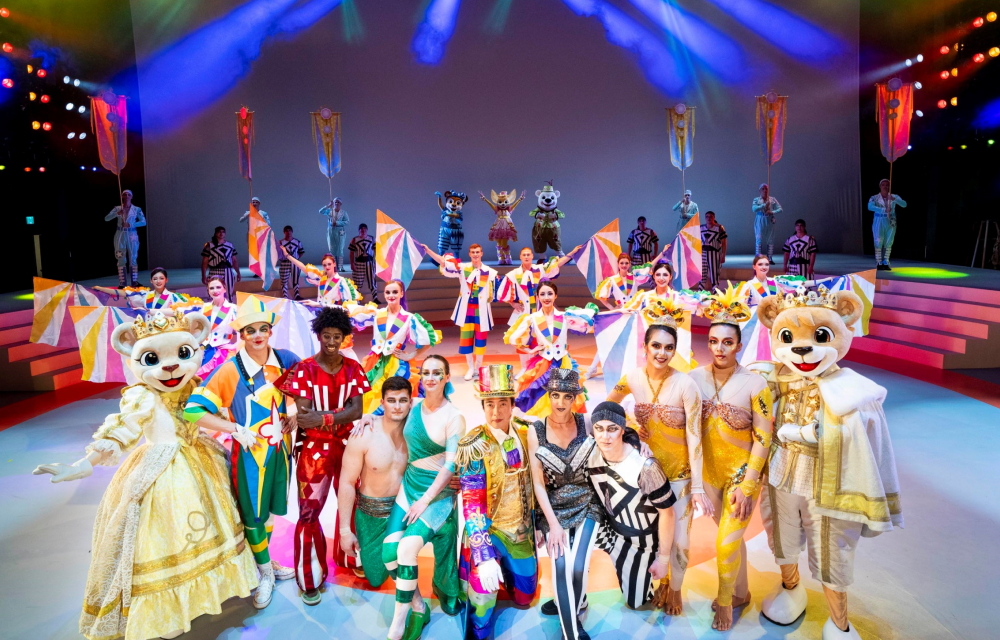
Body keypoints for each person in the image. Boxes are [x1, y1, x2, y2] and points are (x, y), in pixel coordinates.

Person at [33, 311, 257, 640]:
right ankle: (166, 611)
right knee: (163, 537)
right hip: (161, 470)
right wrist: (83, 464)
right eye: (153, 358)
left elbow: (217, 414)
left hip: (203, 458)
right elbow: (121, 431)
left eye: (182, 354)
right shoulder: (143, 396)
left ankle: (213, 592)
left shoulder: (195, 387)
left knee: (220, 522)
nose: (170, 366)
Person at [183, 295, 301, 609]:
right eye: (251, 330)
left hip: (281, 454)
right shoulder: (229, 371)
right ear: (241, 335)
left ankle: (266, 562)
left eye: (263, 328)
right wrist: (234, 429)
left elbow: (306, 391)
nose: (258, 335)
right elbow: (193, 411)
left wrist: (297, 413)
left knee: (273, 510)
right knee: (253, 516)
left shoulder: (286, 359)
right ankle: (264, 574)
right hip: (249, 458)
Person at [606, 314, 705, 617]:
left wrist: (698, 485)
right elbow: (609, 407)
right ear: (645, 346)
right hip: (643, 473)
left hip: (679, 474)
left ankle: (675, 588)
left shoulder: (685, 384)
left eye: (669, 348)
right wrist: (632, 426)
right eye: (656, 346)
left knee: (680, 540)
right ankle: (656, 583)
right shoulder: (633, 378)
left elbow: (695, 435)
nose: (662, 353)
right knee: (649, 534)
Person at [274, 306, 370, 604]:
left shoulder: (354, 368)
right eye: (326, 336)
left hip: (348, 445)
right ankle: (309, 575)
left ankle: (352, 557)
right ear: (318, 336)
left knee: (354, 500)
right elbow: (304, 417)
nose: (331, 341)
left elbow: (358, 410)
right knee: (309, 511)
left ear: (345, 338)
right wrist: (336, 416)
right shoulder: (304, 368)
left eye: (337, 336)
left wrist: (325, 418)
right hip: (313, 450)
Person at [692, 288, 772, 631]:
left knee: (725, 541)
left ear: (739, 345)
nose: (719, 348)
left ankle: (725, 603)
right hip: (709, 476)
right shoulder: (694, 378)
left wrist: (750, 482)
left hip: (743, 477)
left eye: (727, 342)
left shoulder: (756, 383)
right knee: (731, 538)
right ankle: (740, 593)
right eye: (713, 341)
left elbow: (764, 436)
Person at [381, 354, 465, 639]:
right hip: (409, 488)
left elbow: (450, 466)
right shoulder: (413, 406)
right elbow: (387, 414)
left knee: (406, 550)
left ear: (446, 378)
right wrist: (365, 419)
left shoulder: (454, 417)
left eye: (436, 373)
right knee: (388, 553)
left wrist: (426, 500)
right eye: (425, 372)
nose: (429, 378)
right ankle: (418, 605)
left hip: (436, 495)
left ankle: (396, 628)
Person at [456, 364, 539, 640]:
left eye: (502, 403)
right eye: (489, 404)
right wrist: (482, 555)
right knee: (482, 603)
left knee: (525, 597)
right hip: (489, 534)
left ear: (512, 404)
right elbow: (471, 503)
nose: (495, 412)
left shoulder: (529, 433)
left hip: (521, 532)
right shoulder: (474, 444)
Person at [526, 369, 602, 640]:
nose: (560, 402)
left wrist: (638, 443)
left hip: (588, 503)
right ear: (549, 395)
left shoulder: (587, 421)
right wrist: (552, 525)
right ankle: (572, 630)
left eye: (567, 396)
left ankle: (570, 603)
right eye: (555, 395)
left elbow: (615, 436)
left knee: (578, 567)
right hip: (554, 508)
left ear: (575, 398)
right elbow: (537, 483)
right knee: (560, 568)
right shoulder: (535, 430)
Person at [586, 401, 676, 610]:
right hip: (607, 528)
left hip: (640, 542)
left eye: (612, 429)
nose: (604, 436)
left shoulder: (645, 466)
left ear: (622, 430)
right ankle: (575, 597)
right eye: (599, 428)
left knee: (637, 602)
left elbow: (667, 514)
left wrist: (663, 559)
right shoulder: (591, 453)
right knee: (569, 539)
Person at [337, 376, 413, 590]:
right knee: (376, 578)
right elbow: (346, 482)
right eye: (391, 400)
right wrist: (345, 530)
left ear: (410, 402)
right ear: (382, 403)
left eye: (402, 400)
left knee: (406, 568)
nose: (397, 407)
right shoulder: (364, 434)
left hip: (405, 512)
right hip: (370, 514)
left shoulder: (416, 431)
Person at [505, 280, 594, 417]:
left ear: (556, 296)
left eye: (550, 294)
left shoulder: (565, 316)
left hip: (563, 362)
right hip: (543, 364)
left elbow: (590, 321)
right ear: (538, 297)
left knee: (566, 397)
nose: (546, 297)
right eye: (543, 294)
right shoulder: (533, 318)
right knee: (540, 397)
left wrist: (621, 311)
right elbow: (513, 338)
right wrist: (530, 351)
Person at [358, 279, 440, 414]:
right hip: (374, 362)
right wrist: (318, 305)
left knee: (392, 397)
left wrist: (412, 355)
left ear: (402, 293)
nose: (391, 295)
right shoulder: (377, 313)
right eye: (388, 292)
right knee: (370, 396)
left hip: (395, 363)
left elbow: (431, 339)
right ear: (384, 294)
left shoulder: (409, 318)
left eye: (395, 292)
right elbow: (349, 312)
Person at [422, 243, 499, 381]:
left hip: (482, 312)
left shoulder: (490, 272)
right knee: (466, 341)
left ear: (481, 253)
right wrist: (428, 250)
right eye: (473, 252)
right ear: (469, 254)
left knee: (481, 342)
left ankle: (478, 368)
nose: (475, 254)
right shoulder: (463, 268)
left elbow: (501, 290)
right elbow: (443, 262)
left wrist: (513, 302)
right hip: (467, 311)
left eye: (477, 252)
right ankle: (470, 368)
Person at [497, 247, 576, 371]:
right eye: (524, 255)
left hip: (540, 312)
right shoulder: (513, 274)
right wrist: (513, 304)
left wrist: (571, 253)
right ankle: (524, 368)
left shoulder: (540, 270)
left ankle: (537, 365)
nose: (527, 257)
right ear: (521, 257)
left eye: (529, 254)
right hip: (523, 313)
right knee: (522, 339)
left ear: (532, 256)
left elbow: (556, 264)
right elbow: (502, 291)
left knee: (540, 339)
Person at [735, 257, 783, 366]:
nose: (764, 267)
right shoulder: (749, 285)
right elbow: (741, 304)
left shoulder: (774, 282)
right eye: (760, 264)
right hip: (755, 319)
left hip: (773, 316)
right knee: (754, 344)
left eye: (766, 264)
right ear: (754, 266)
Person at [279, 246, 362, 308]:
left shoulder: (341, 281)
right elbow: (303, 267)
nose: (327, 267)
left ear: (334, 264)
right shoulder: (321, 279)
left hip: (334, 317)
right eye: (324, 265)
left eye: (329, 264)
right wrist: (287, 255)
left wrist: (318, 304)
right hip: (320, 315)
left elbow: (349, 307)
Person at [94, 267, 188, 314]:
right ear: (151, 281)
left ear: (166, 280)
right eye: (155, 279)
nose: (158, 281)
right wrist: (100, 288)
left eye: (161, 278)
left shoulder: (174, 297)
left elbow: (190, 306)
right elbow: (123, 293)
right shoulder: (145, 295)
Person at [196, 275, 239, 378]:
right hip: (205, 352)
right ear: (208, 290)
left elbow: (242, 332)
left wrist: (234, 346)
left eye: (218, 287)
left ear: (224, 288)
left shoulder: (233, 309)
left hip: (224, 353)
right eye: (211, 288)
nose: (215, 290)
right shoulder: (205, 308)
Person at [104, 189, 146, 287]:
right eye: (124, 194)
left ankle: (134, 281)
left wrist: (131, 224)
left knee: (133, 257)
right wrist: (117, 213)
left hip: (132, 235)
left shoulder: (137, 209)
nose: (126, 196)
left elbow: (143, 222)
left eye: (128, 194)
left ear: (131, 197)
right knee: (120, 256)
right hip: (120, 235)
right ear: (122, 196)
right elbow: (106, 218)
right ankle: (122, 283)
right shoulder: (117, 208)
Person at [868, 178, 907, 270]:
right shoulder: (875, 197)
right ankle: (879, 261)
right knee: (878, 240)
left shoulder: (894, 196)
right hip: (879, 219)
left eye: (887, 185)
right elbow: (870, 207)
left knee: (889, 241)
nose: (885, 186)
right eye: (883, 185)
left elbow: (904, 204)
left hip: (891, 220)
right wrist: (883, 209)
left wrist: (894, 199)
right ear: (880, 186)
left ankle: (886, 261)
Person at [481, 189, 526, 265]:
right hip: (498, 226)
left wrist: (519, 199)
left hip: (506, 226)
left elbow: (515, 204)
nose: (503, 204)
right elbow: (490, 204)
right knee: (498, 242)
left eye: (505, 202)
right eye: (500, 202)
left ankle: (508, 257)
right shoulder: (497, 210)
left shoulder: (509, 210)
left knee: (504, 242)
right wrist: (485, 199)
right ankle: (501, 258)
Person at [201, 226, 240, 302]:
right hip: (214, 271)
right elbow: (204, 262)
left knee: (229, 292)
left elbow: (234, 260)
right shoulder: (209, 245)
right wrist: (203, 275)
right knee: (214, 292)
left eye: (223, 232)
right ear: (215, 233)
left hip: (228, 271)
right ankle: (214, 310)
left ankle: (228, 310)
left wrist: (238, 273)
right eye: (219, 232)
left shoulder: (230, 245)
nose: (221, 233)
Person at [530, 181, 565, 259]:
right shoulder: (538, 210)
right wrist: (537, 215)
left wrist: (556, 215)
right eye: (544, 197)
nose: (548, 200)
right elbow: (531, 213)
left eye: (552, 198)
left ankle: (561, 255)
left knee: (556, 242)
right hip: (539, 228)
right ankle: (542, 257)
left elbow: (562, 214)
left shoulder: (555, 210)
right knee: (539, 242)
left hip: (553, 228)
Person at [349, 223, 380, 303]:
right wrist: (352, 264)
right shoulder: (354, 240)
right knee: (357, 281)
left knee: (372, 280)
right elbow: (351, 252)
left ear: (367, 230)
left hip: (369, 263)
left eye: (364, 229)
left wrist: (377, 262)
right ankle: (356, 299)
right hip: (359, 263)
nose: (363, 230)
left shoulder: (372, 239)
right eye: (361, 229)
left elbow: (376, 250)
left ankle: (375, 298)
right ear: (359, 230)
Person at [752, 183, 782, 261]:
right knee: (759, 238)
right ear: (759, 190)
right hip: (760, 219)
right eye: (763, 189)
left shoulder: (772, 199)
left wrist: (772, 212)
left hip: (769, 220)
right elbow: (754, 209)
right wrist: (763, 205)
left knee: (770, 238)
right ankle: (758, 257)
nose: (765, 190)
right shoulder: (756, 200)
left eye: (766, 189)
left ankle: (770, 257)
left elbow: (780, 209)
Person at [700, 210, 727, 292]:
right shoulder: (701, 228)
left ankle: (715, 293)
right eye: (707, 217)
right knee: (702, 274)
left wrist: (723, 255)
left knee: (714, 273)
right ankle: (700, 291)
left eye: (711, 216)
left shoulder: (719, 228)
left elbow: (724, 242)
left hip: (714, 253)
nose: (709, 218)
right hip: (703, 253)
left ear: (714, 218)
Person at [321, 197, 350, 271]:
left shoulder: (344, 213)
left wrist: (337, 223)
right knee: (332, 249)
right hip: (331, 231)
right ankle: (334, 266)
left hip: (340, 232)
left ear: (341, 204)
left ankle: (340, 266)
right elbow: (320, 211)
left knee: (340, 249)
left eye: (338, 202)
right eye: (335, 202)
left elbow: (347, 222)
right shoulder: (330, 211)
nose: (336, 203)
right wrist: (328, 206)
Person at [436, 189, 468, 255]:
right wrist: (439, 197)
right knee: (442, 245)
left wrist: (448, 214)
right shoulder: (446, 210)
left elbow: (456, 215)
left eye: (458, 203)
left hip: (455, 230)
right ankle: (439, 261)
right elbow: (440, 204)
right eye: (450, 201)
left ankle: (457, 261)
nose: (453, 204)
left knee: (456, 247)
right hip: (444, 229)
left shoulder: (459, 212)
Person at [279, 225, 305, 300]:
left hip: (295, 264)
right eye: (287, 231)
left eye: (290, 231)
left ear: (292, 232)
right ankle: (285, 297)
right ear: (284, 232)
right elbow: (277, 253)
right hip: (284, 263)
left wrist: (296, 260)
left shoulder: (297, 242)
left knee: (295, 279)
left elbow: (301, 251)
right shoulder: (281, 242)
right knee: (284, 280)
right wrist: (282, 259)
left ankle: (296, 295)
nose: (288, 232)